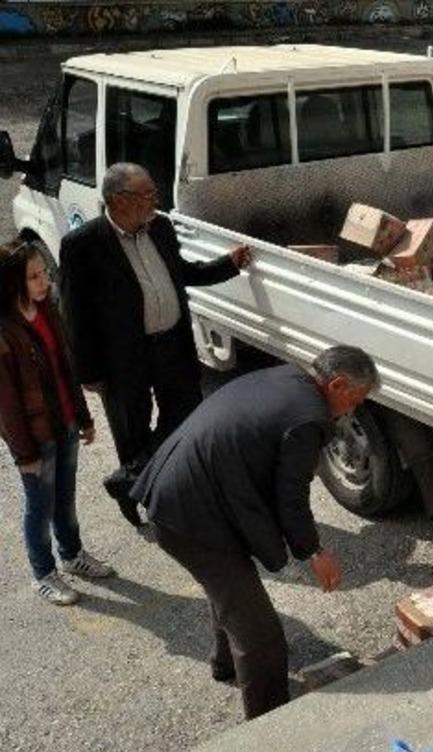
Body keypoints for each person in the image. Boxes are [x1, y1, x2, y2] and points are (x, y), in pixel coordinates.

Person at [129, 346, 377, 719]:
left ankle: (225, 664)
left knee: (229, 590)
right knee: (262, 636)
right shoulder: (308, 418)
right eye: (354, 401)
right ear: (338, 384)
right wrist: (314, 552)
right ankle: (268, 723)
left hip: (179, 495)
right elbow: (291, 497)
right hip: (190, 519)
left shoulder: (289, 378)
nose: (352, 412)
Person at [59, 162, 252, 527]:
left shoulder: (160, 228)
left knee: (186, 418)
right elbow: (76, 315)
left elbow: (181, 273)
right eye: (147, 194)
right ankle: (137, 499)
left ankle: (138, 481)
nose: (155, 200)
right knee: (131, 430)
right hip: (124, 359)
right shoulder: (83, 245)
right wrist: (88, 373)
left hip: (172, 347)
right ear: (118, 200)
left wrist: (226, 265)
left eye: (153, 193)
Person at [0, 241, 114, 605]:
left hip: (64, 424)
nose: (43, 281)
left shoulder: (47, 310)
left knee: (65, 499)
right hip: (36, 438)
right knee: (40, 506)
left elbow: (66, 367)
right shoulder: (5, 332)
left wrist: (82, 416)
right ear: (12, 283)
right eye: (33, 277)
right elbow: (6, 406)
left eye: (44, 273)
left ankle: (72, 556)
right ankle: (43, 573)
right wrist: (24, 454)